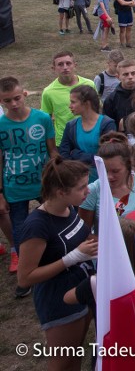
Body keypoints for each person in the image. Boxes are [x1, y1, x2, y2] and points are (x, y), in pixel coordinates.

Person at [16, 158, 96, 371]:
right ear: (61, 192)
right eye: (81, 188)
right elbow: (25, 278)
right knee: (61, 362)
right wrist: (73, 257)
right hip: (58, 301)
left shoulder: (69, 207)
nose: (87, 191)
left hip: (81, 290)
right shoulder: (36, 227)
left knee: (75, 353)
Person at [0, 76, 58, 288]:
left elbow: (52, 150)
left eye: (17, 98)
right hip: (14, 185)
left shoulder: (42, 118)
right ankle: (20, 255)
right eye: (7, 101)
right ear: (0, 101)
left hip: (43, 182)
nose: (14, 104)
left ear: (24, 94)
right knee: (19, 224)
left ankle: (55, 248)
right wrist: (0, 192)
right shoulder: (0, 125)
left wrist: (56, 176)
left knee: (55, 215)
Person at [59, 85, 117, 179]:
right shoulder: (71, 126)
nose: (70, 106)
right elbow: (64, 154)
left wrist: (76, 154)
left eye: (73, 102)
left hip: (103, 179)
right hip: (77, 179)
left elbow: (107, 156)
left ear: (86, 103)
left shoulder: (107, 124)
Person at [41, 51, 96, 146]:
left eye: (68, 63)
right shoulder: (48, 92)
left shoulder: (89, 84)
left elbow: (97, 108)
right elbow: (45, 119)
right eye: (60, 64)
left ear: (75, 65)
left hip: (90, 136)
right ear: (53, 68)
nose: (65, 67)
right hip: (64, 141)